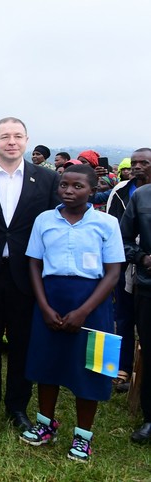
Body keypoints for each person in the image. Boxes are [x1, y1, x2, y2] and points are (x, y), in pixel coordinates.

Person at [0, 116, 60, 431]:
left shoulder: (46, 180)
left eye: (18, 136)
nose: (11, 142)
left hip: (27, 274)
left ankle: (18, 406)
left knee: (22, 342)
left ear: (27, 141)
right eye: (5, 136)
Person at [20, 165, 123, 462]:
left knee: (89, 369)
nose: (68, 191)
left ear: (93, 189)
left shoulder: (105, 223)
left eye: (77, 186)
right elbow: (34, 265)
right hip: (51, 299)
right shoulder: (44, 220)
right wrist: (44, 306)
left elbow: (114, 272)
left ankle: (83, 436)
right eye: (64, 185)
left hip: (92, 303)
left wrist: (83, 311)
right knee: (47, 364)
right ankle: (45, 424)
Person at [107, 148, 151, 391]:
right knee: (123, 315)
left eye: (144, 162)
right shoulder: (121, 190)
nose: (137, 166)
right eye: (134, 162)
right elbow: (115, 228)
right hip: (127, 261)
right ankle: (122, 366)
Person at [122, 179, 151, 444]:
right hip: (148, 285)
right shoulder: (142, 197)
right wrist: (142, 258)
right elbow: (125, 238)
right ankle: (149, 417)